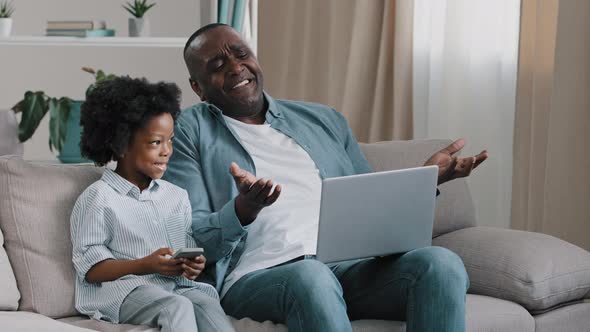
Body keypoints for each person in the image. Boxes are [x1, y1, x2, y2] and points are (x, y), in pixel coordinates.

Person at [163, 23, 489, 332]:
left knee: (440, 264)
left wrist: (426, 180)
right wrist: (243, 210)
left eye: (241, 53)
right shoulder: (188, 131)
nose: (235, 68)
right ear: (197, 87)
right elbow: (190, 238)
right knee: (311, 276)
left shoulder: (321, 119)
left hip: (350, 268)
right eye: (217, 65)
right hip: (259, 276)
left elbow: (370, 207)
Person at [70, 76, 236, 332]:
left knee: (206, 303)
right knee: (176, 308)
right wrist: (145, 264)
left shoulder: (176, 196)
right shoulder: (99, 197)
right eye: (156, 142)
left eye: (170, 140)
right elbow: (90, 269)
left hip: (173, 286)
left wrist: (192, 266)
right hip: (124, 290)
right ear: (121, 144)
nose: (167, 150)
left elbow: (185, 253)